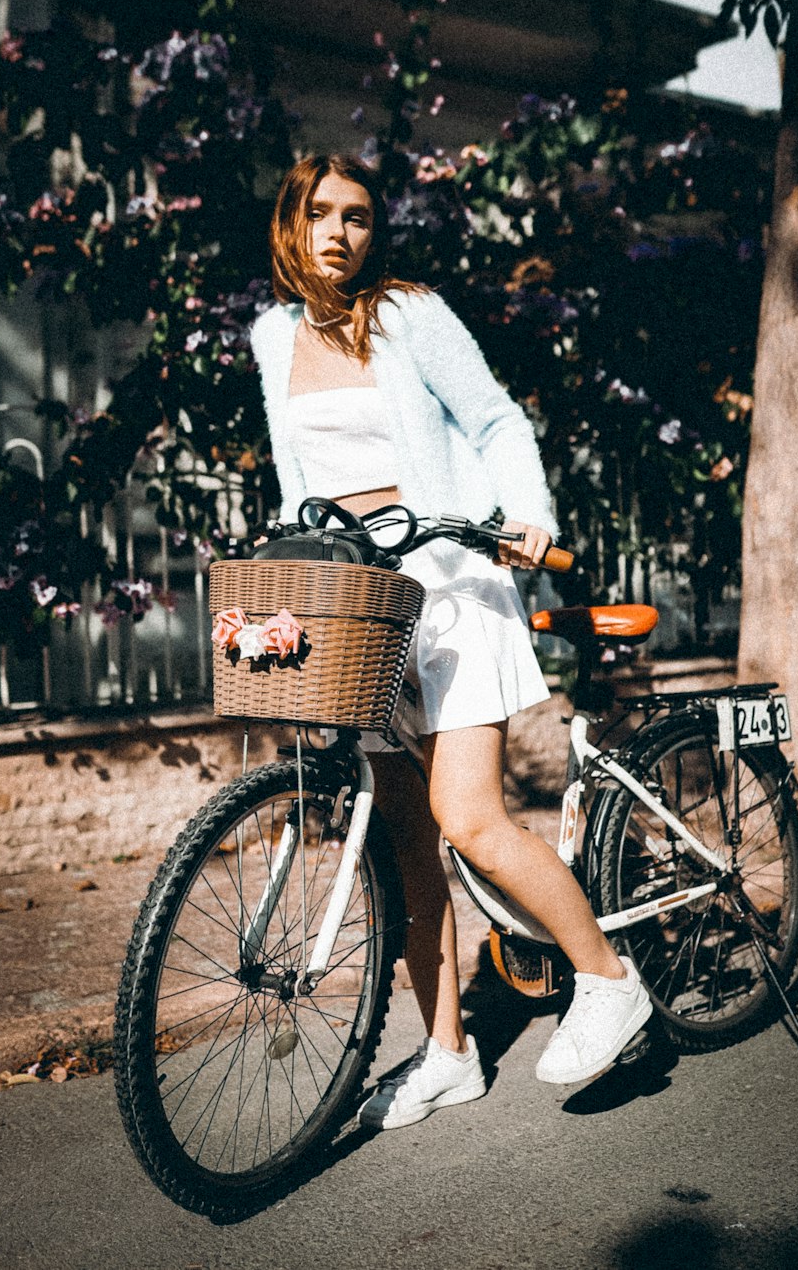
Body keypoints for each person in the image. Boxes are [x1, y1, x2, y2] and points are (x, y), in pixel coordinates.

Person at [250, 153, 651, 1130]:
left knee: (465, 814)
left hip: (454, 579)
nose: (338, 231)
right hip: (362, 599)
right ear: (290, 226)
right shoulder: (271, 336)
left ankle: (606, 977)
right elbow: (292, 471)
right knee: (406, 840)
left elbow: (495, 420)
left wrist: (530, 516)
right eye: (319, 213)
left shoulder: (406, 314)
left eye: (355, 216)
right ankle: (446, 1053)